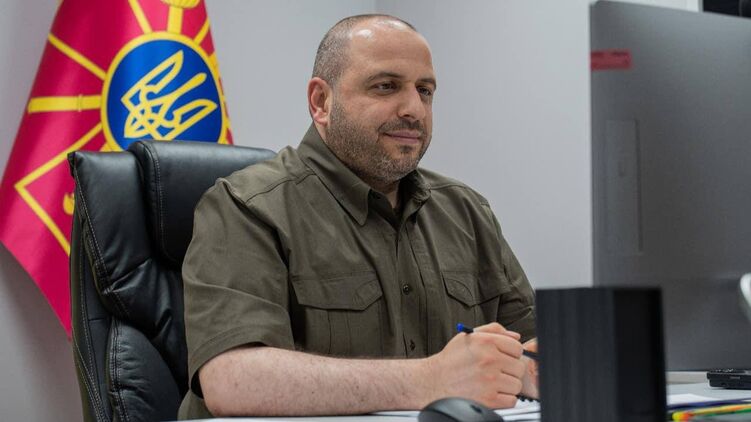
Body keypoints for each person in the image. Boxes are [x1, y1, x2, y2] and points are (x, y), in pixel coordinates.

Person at [178, 14, 538, 419]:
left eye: (425, 91)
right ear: (321, 102)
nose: (414, 109)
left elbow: (533, 345)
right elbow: (232, 380)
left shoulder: (466, 211)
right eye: (386, 86)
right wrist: (430, 380)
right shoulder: (247, 206)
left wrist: (529, 370)